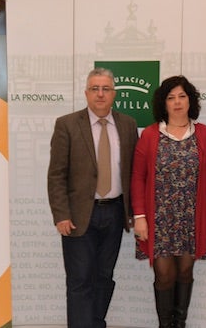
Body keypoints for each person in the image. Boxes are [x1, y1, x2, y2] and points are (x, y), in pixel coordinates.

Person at [47, 67, 139, 328]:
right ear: (86, 93)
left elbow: (133, 171)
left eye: (106, 89)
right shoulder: (66, 124)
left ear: (114, 94)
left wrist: (134, 212)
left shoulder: (128, 125)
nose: (100, 94)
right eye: (95, 89)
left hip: (115, 213)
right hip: (78, 216)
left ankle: (95, 323)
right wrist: (61, 214)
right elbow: (56, 174)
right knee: (79, 280)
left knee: (104, 277)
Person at [130, 75, 206, 328]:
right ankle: (165, 325)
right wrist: (140, 217)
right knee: (165, 274)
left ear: (190, 100)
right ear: (163, 103)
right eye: (171, 98)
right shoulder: (149, 135)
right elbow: (137, 178)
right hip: (159, 219)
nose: (177, 102)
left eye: (182, 96)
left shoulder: (203, 134)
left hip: (192, 217)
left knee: (185, 272)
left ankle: (180, 323)